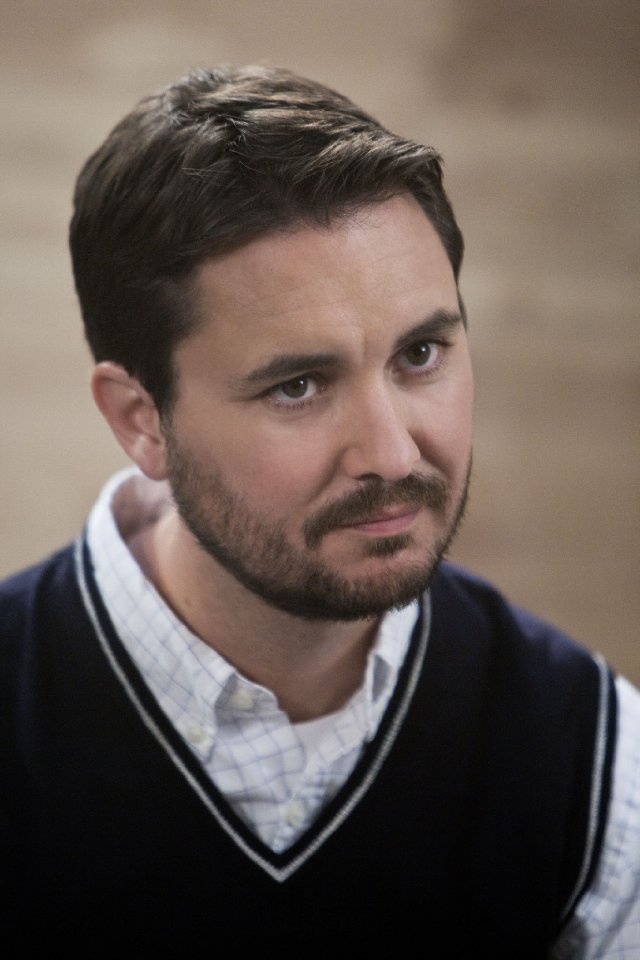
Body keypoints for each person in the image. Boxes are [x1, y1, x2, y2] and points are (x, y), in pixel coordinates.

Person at [1, 65, 638, 956]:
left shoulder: (598, 763)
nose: (393, 454)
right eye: (298, 385)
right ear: (140, 419)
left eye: (421, 353)